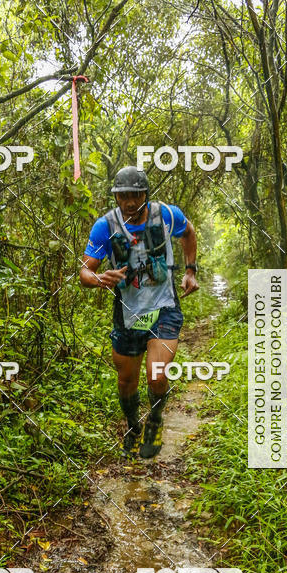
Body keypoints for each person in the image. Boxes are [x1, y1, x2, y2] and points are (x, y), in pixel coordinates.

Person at [79, 166, 199, 459]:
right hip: (127, 313)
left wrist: (191, 270)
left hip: (164, 309)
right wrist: (99, 279)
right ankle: (133, 425)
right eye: (124, 196)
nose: (130, 202)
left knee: (156, 375)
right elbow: (85, 271)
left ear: (146, 194)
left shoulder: (167, 215)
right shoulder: (105, 226)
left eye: (136, 195)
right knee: (126, 380)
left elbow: (189, 232)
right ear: (116, 198)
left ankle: (155, 422)